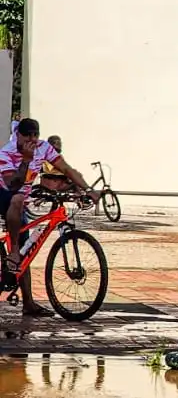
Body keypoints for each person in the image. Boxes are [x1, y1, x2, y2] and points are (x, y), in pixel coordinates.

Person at [0, 119, 97, 316]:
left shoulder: (43, 147)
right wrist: (26, 160)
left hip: (19, 204)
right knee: (17, 199)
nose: (32, 140)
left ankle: (28, 303)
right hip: (4, 194)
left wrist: (87, 189)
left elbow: (67, 169)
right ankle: (14, 251)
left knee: (26, 255)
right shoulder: (6, 153)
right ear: (18, 135)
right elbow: (13, 185)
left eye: (35, 135)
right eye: (27, 135)